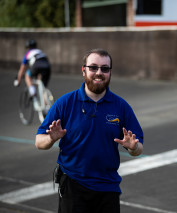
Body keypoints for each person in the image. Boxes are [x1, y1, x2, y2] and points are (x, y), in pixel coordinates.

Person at [35, 48, 144, 213]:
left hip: (108, 188)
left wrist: (133, 147)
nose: (99, 73)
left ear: (110, 72)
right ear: (83, 70)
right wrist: (51, 138)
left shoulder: (121, 107)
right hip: (73, 186)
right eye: (93, 67)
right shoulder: (65, 103)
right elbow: (39, 142)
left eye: (104, 68)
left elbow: (138, 148)